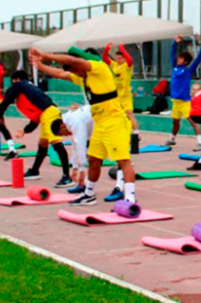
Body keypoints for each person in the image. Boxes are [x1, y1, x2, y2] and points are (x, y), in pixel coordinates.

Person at [29, 46, 138, 206]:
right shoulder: (84, 78)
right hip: (100, 123)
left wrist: (44, 55)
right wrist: (39, 65)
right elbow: (60, 73)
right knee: (93, 160)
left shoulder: (99, 68)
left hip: (115, 121)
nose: (77, 74)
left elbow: (72, 60)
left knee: (123, 161)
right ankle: (89, 194)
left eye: (76, 70)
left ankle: (130, 199)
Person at [0, 70, 72, 188]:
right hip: (46, 115)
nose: (13, 85)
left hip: (49, 116)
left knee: (57, 145)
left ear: (16, 80)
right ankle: (35, 171)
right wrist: (25, 130)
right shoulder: (30, 90)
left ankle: (67, 177)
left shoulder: (20, 85)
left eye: (13, 82)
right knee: (42, 144)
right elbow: (36, 116)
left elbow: (6, 100)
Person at [166, 36, 201, 149]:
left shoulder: (188, 71)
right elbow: (172, 54)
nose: (178, 59)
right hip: (175, 102)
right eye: (179, 57)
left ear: (186, 61)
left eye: (181, 58)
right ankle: (172, 139)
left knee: (192, 122)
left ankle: (200, 142)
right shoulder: (174, 68)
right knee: (175, 122)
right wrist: (175, 43)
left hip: (185, 102)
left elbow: (197, 60)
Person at [102, 42, 139, 144]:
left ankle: (136, 134)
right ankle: (118, 134)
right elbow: (105, 59)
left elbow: (130, 60)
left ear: (124, 59)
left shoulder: (127, 66)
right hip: (116, 97)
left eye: (120, 58)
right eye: (117, 58)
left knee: (129, 114)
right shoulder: (114, 65)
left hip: (126, 96)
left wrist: (122, 47)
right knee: (116, 117)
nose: (118, 60)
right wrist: (107, 48)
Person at [55, 105, 94, 194]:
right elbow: (75, 145)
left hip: (105, 122)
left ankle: (86, 188)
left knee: (94, 159)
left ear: (62, 126)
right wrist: (75, 167)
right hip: (95, 124)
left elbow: (81, 145)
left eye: (62, 134)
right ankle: (85, 186)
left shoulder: (75, 122)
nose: (65, 136)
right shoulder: (69, 121)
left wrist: (82, 170)